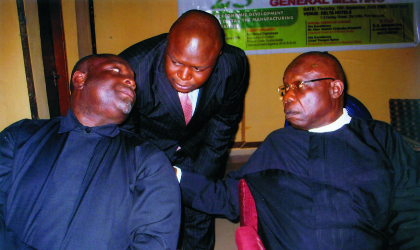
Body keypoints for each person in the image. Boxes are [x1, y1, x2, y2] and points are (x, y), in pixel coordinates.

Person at [176, 52, 420, 249]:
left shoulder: (380, 138)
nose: (287, 96)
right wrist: (173, 176)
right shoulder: (278, 145)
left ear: (335, 89)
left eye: (299, 85)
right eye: (285, 88)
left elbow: (410, 212)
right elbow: (230, 198)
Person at [0, 54, 181, 250]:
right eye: (116, 70)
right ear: (80, 79)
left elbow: (157, 242)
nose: (132, 82)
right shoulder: (20, 136)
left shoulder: (148, 159)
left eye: (133, 78)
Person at [118, 9, 248, 250]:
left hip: (198, 148)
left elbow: (224, 123)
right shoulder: (134, 68)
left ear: (218, 56)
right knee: (154, 221)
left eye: (199, 68)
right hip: (150, 150)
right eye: (175, 61)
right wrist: (152, 173)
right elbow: (127, 135)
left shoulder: (234, 65)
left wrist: (202, 178)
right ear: (167, 44)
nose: (184, 76)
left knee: (199, 218)